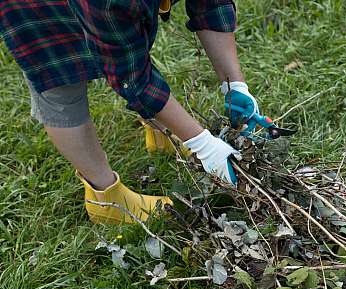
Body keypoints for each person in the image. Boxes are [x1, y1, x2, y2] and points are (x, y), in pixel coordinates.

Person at [0, 0, 258, 224]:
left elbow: (210, 5)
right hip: (35, 8)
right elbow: (131, 77)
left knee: (129, 39)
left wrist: (235, 85)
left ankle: (163, 135)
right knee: (60, 82)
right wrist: (204, 144)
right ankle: (107, 200)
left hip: (107, 10)